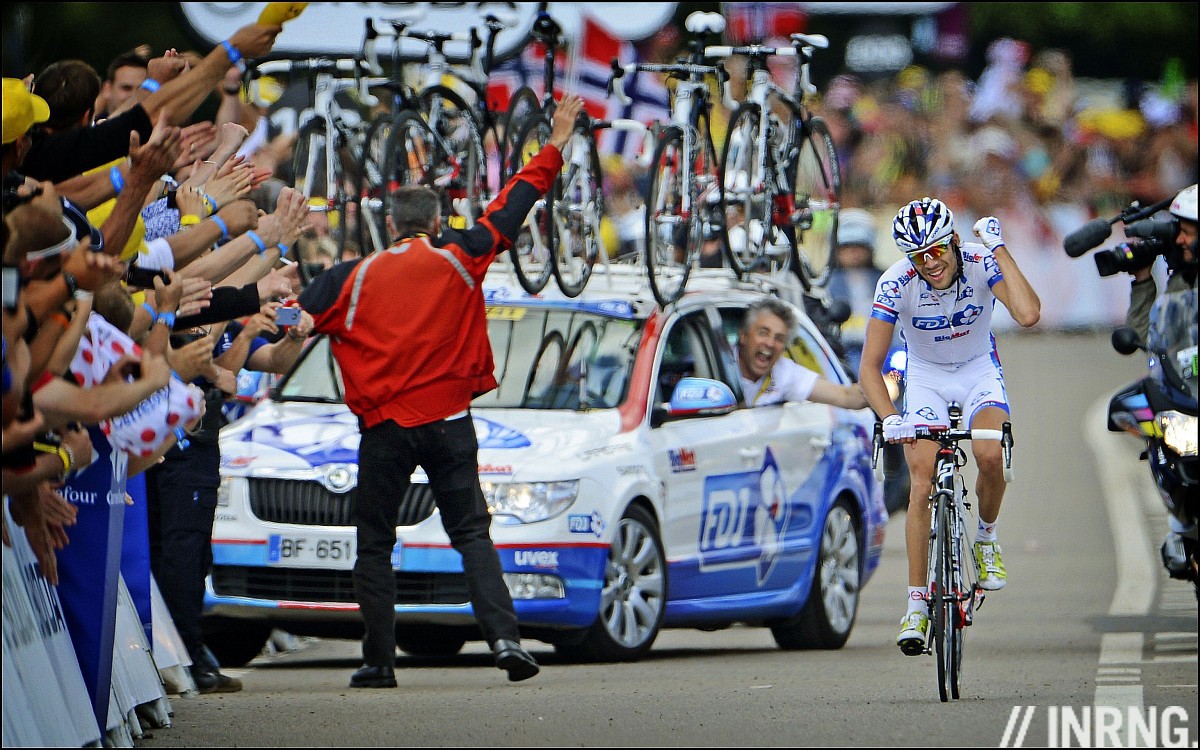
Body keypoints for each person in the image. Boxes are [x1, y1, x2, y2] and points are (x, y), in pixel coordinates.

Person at [297, 93, 585, 689]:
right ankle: (505, 639)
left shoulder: (350, 277)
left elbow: (287, 323)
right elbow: (515, 203)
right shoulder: (461, 254)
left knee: (374, 543)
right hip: (451, 420)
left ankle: (379, 661)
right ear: (433, 223)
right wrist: (555, 140)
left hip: (384, 429)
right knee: (472, 532)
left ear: (388, 225)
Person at [857, 197, 1040, 656]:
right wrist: (891, 418)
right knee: (921, 485)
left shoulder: (981, 261)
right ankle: (917, 603)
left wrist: (999, 249)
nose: (930, 262)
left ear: (955, 241)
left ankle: (986, 539)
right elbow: (869, 370)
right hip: (926, 378)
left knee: (989, 454)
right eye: (918, 256)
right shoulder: (896, 283)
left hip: (978, 369)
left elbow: (1028, 314)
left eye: (937, 250)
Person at [1126, 183, 1197, 576]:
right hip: (1190, 396)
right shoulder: (1179, 282)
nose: (1179, 238)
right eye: (1177, 229)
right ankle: (1180, 523)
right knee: (1154, 429)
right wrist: (1141, 279)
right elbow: (1145, 337)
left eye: (1188, 230)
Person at [735, 296, 869, 410]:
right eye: (763, 333)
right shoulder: (716, 360)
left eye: (779, 338)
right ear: (743, 336)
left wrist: (878, 386)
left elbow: (845, 396)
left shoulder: (783, 372)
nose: (770, 343)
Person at [826, 208, 886, 375]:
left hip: (883, 352)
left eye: (860, 246)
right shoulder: (827, 282)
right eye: (846, 246)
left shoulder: (886, 279)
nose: (854, 253)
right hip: (841, 354)